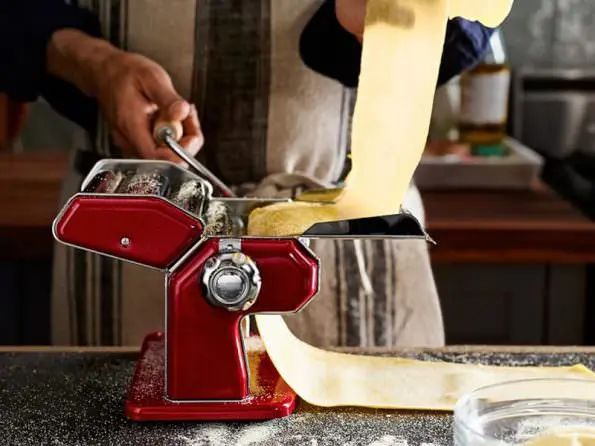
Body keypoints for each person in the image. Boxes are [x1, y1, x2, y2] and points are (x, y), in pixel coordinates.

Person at [0, 0, 493, 348]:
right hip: (136, 239)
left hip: (340, 245)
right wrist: (94, 63)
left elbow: (465, 27)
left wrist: (381, 20)